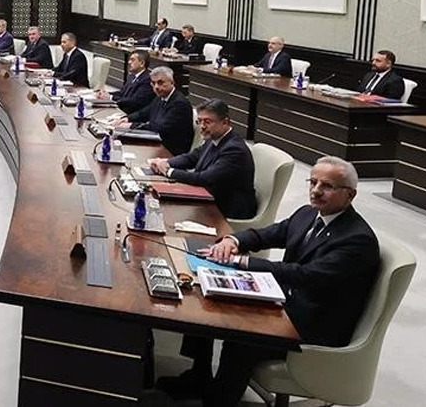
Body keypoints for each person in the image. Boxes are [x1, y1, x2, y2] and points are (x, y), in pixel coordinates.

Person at [155, 156, 380, 407]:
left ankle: (218, 400)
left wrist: (243, 262)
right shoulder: (308, 213)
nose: (316, 191)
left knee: (243, 340)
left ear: (350, 195)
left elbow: (306, 276)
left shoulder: (357, 240)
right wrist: (233, 241)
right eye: (313, 182)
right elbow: (271, 233)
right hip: (287, 300)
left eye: (327, 186)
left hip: (312, 324)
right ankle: (199, 377)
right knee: (208, 302)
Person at [147, 99, 256, 219]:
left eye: (207, 122)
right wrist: (165, 162)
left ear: (225, 122)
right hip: (208, 197)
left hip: (225, 209)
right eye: (199, 121)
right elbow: (192, 157)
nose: (202, 127)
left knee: (166, 214)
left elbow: (204, 179)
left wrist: (168, 171)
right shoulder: (214, 137)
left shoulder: (234, 149)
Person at [121, 67, 195, 154]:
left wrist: (131, 125)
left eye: (160, 83)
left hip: (171, 150)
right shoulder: (160, 97)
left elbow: (160, 128)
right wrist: (127, 118)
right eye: (153, 83)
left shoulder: (179, 103)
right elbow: (144, 113)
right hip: (157, 141)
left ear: (172, 82)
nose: (156, 87)